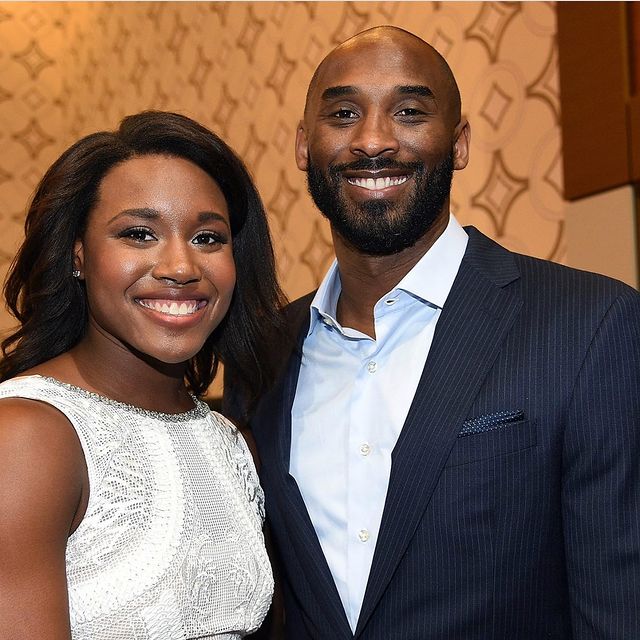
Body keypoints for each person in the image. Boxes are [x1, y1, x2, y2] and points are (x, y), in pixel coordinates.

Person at [224, 26, 640, 639]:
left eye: (410, 112)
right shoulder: (263, 354)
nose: (372, 140)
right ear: (304, 146)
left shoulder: (590, 325)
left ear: (459, 142)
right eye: (343, 114)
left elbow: (619, 609)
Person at [0, 111, 285, 639]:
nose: (181, 266)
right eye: (139, 233)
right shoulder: (27, 436)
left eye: (207, 238)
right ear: (77, 256)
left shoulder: (228, 441)